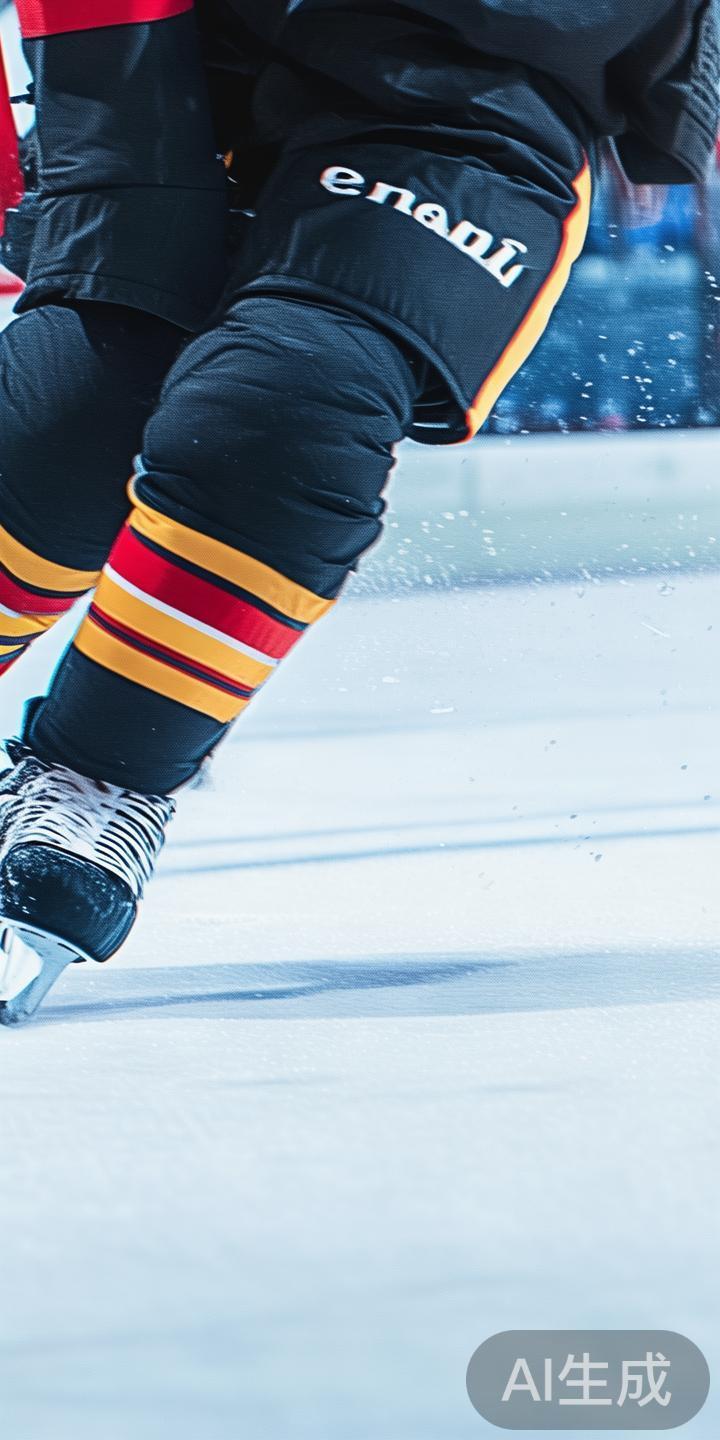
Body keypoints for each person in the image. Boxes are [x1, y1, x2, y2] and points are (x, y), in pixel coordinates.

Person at [0, 0, 716, 1023]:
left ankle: (97, 784)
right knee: (71, 409)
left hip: (475, 75)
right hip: (157, 40)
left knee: (288, 403)